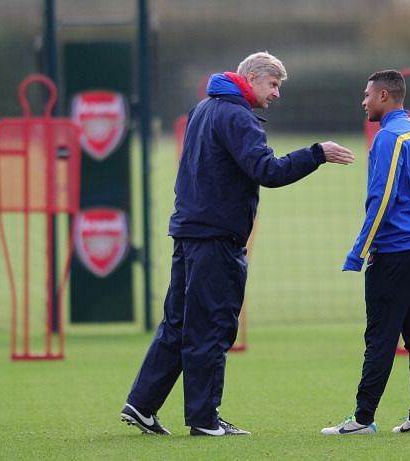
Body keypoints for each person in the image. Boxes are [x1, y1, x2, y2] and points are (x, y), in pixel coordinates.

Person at [120, 51, 355, 437]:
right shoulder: (238, 116)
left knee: (177, 324)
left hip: (189, 231)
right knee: (211, 326)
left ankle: (142, 404)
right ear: (253, 78)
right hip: (216, 238)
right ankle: (204, 420)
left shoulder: (203, 109)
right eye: (274, 85)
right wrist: (317, 154)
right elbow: (268, 170)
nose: (277, 94)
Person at [321, 70, 410, 435]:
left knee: (381, 335)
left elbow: (382, 198)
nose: (364, 102)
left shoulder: (389, 138)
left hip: (396, 250)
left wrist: (359, 251)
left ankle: (362, 419)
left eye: (367, 95)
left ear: (385, 95)